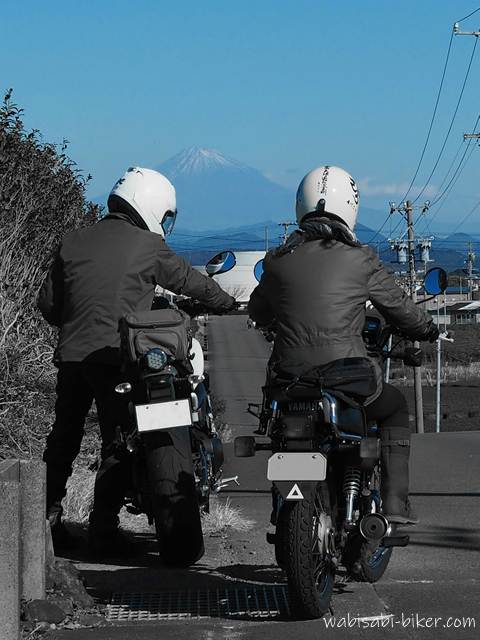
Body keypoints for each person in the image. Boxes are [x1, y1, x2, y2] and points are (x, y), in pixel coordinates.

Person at [38, 167, 236, 553]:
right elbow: (191, 283)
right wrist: (226, 303)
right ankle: (103, 529)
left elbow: (48, 305)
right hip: (118, 358)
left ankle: (47, 521)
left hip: (73, 357)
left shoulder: (72, 241)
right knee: (118, 441)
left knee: (64, 439)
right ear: (153, 207)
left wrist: (79, 318)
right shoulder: (148, 246)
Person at [248, 165, 438, 524]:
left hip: (289, 379)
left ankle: (285, 502)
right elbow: (398, 308)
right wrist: (428, 329)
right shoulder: (360, 258)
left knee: (279, 433)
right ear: (351, 206)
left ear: (300, 206)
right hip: (346, 377)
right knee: (394, 406)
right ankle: (396, 502)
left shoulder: (278, 261)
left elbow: (259, 311)